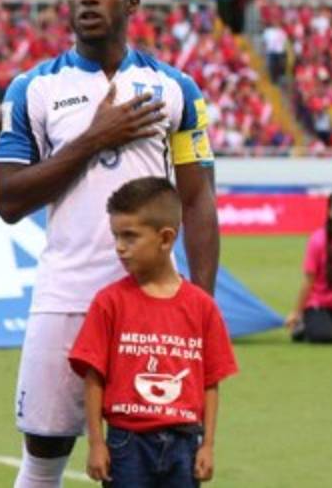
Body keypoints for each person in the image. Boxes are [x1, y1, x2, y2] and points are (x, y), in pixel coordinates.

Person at [0, 0, 219, 488]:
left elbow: (198, 199)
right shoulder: (32, 89)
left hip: (153, 303)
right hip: (66, 295)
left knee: (153, 449)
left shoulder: (176, 89)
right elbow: (9, 199)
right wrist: (95, 137)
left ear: (132, 3)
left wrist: (200, 306)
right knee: (45, 448)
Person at [69, 177, 237, 487]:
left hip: (185, 443)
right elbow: (94, 377)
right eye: (116, 236)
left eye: (130, 236)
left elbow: (210, 381)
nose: (120, 247)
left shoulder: (202, 306)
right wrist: (96, 442)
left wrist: (208, 445)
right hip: (126, 444)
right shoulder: (109, 302)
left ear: (165, 238)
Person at [286, 188, 332, 343]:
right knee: (324, 337)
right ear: (330, 212)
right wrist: (296, 312)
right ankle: (303, 326)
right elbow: (309, 281)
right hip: (318, 304)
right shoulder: (318, 240)